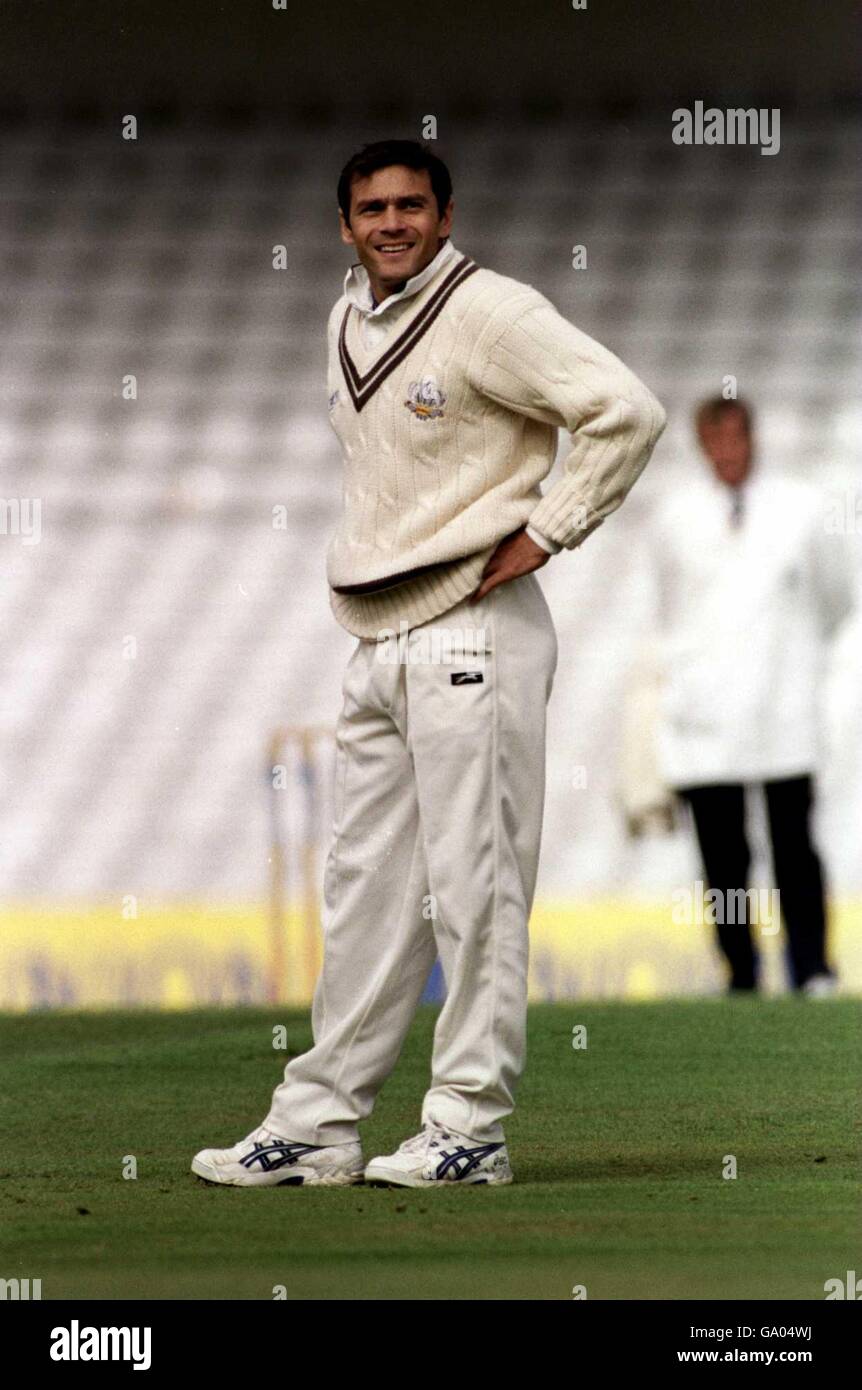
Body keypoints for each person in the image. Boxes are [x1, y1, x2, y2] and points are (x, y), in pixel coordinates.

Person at [191, 138, 665, 1188]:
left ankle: (467, 1129)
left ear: (446, 216)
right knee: (364, 890)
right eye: (371, 208)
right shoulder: (344, 317)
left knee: (474, 888)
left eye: (411, 205)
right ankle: (317, 1124)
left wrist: (551, 528)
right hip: (374, 636)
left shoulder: (491, 310)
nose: (392, 223)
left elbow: (625, 408)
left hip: (475, 629)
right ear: (346, 225)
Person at [645, 396, 855, 995]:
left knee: (794, 846)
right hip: (704, 712)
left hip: (782, 701)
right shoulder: (674, 517)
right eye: (718, 441)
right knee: (723, 857)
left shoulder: (803, 508)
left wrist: (793, 658)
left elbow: (837, 597)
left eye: (738, 438)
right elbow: (668, 610)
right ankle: (740, 970)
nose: (730, 452)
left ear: (753, 438)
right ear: (703, 445)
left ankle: (811, 966)